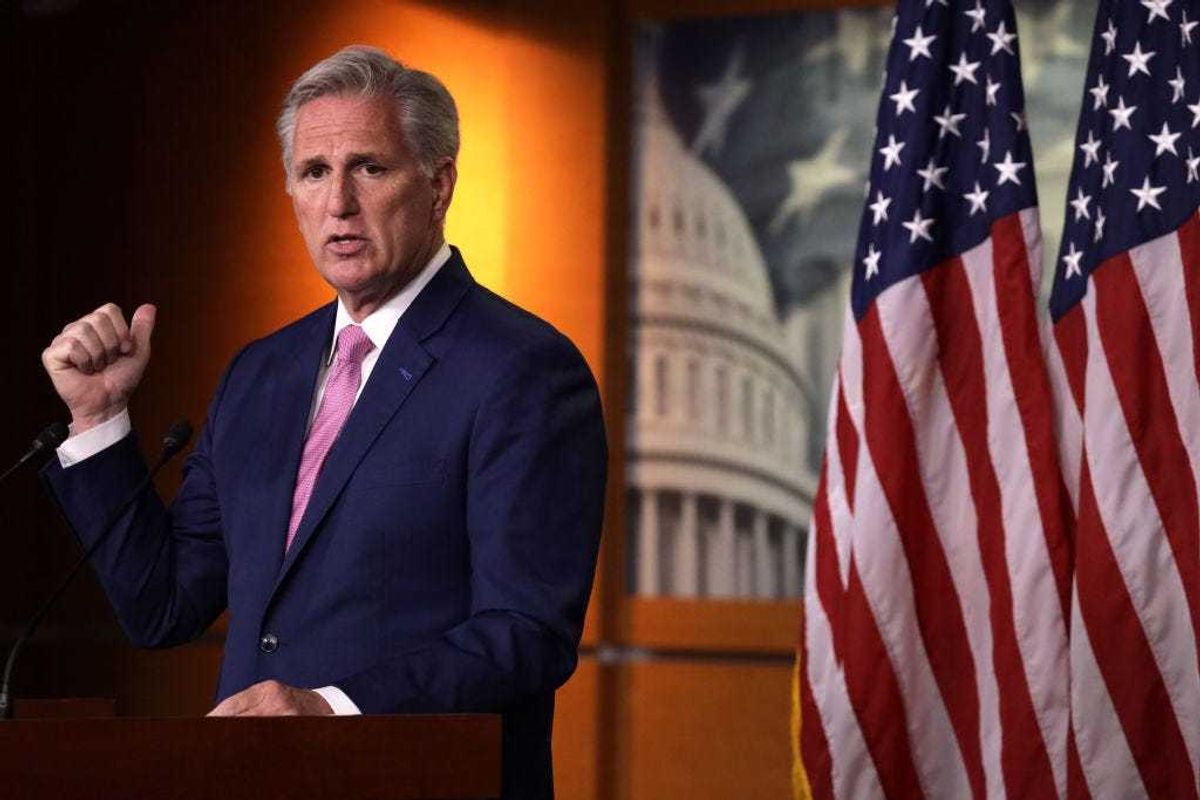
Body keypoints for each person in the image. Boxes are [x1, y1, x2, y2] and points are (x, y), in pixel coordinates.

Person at [39, 45, 606, 799]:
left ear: (438, 185)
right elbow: (164, 605)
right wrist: (99, 417)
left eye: (369, 167)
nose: (338, 202)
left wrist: (332, 709)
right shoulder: (260, 374)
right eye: (313, 172)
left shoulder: (523, 369)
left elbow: (526, 633)